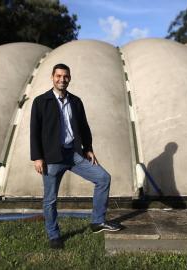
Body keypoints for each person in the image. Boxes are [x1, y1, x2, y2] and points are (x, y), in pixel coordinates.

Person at [30, 63, 121, 249]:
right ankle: (53, 235)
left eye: (65, 76)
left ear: (69, 78)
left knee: (103, 178)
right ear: (52, 77)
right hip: (52, 158)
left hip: (74, 154)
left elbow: (84, 126)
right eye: (58, 76)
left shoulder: (76, 101)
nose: (62, 80)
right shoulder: (41, 101)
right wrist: (37, 157)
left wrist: (88, 148)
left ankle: (97, 222)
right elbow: (34, 131)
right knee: (50, 199)